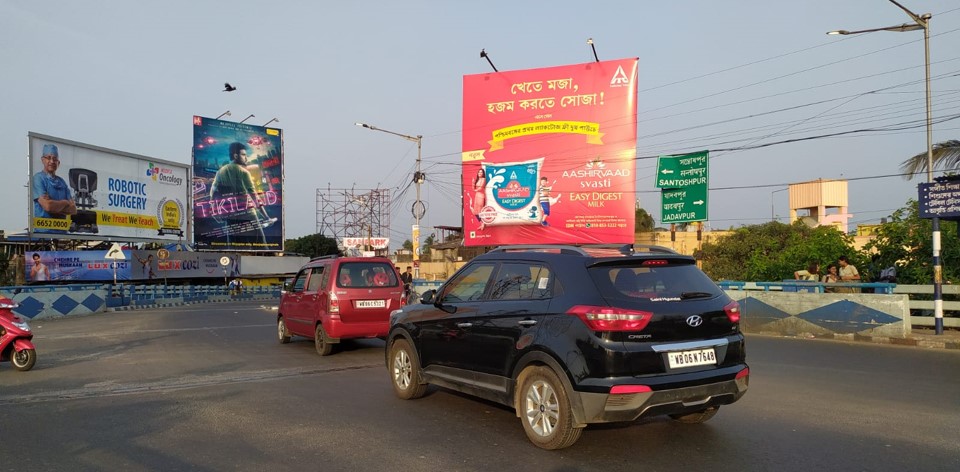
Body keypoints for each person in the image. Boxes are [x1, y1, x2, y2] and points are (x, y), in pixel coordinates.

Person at [210, 142, 267, 245]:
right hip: (248, 216)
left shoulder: (220, 172)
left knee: (235, 250)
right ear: (236, 156)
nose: (246, 158)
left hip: (231, 218)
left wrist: (215, 213)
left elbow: (213, 193)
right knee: (260, 247)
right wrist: (265, 216)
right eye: (244, 155)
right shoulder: (244, 172)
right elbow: (254, 196)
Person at [32, 144, 77, 233]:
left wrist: (54, 204)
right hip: (43, 233)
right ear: (43, 160)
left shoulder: (62, 182)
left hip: (62, 233)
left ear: (58, 163)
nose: (52, 161)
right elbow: (48, 206)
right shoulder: (38, 178)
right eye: (48, 158)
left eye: (55, 159)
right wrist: (65, 203)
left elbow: (73, 210)